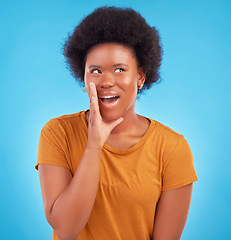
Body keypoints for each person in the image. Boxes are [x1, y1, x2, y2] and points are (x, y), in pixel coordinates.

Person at [35, 6, 198, 240]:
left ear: (140, 77)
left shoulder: (171, 148)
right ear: (83, 77)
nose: (107, 81)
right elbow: (66, 230)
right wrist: (94, 146)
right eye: (96, 71)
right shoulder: (58, 133)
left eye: (120, 70)